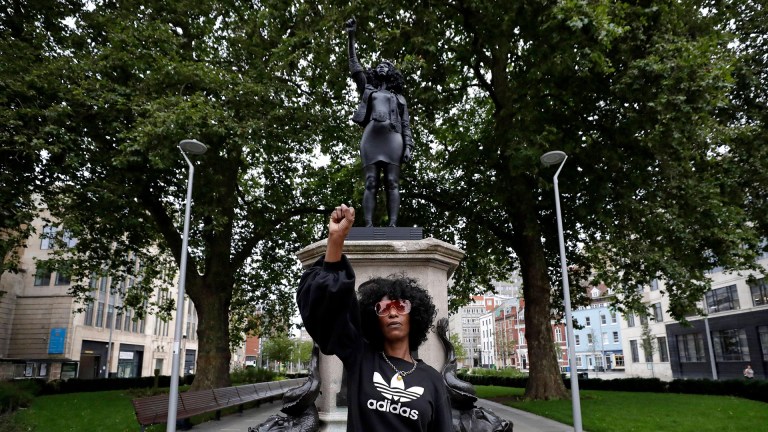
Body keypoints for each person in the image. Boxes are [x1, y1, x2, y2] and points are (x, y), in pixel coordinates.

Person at [296, 204, 452, 431]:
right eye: (382, 308)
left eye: (401, 306)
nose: (392, 311)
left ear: (414, 314)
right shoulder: (360, 358)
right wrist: (336, 238)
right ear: (374, 318)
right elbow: (328, 308)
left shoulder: (433, 381)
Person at [346, 17, 414, 227]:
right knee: (371, 182)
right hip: (371, 138)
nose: (382, 67)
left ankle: (393, 225)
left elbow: (405, 125)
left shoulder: (400, 98)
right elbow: (355, 67)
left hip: (393, 139)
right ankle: (368, 225)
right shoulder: (368, 89)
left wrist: (409, 146)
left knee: (392, 182)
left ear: (392, 73)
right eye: (379, 65)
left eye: (387, 65)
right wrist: (351, 36)